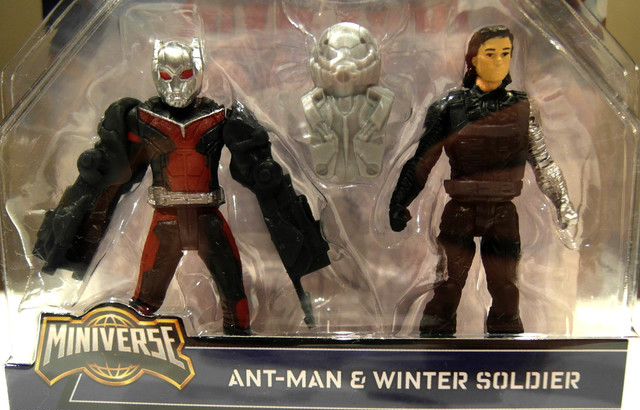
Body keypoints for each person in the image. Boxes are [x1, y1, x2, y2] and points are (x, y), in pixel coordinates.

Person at [34, 40, 329, 335]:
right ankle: (136, 340)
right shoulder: (141, 119)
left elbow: (258, 172)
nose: (175, 85)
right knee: (147, 293)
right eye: (166, 76)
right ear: (156, 75)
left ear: (197, 72)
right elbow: (115, 172)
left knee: (231, 286)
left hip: (207, 218)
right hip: (166, 220)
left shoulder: (219, 118)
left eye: (184, 75)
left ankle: (239, 338)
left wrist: (265, 175)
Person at [389, 25, 577, 336]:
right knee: (449, 283)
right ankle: (434, 343)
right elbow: (422, 161)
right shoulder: (449, 107)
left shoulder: (523, 108)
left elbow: (543, 162)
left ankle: (506, 345)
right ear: (473, 59)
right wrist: (399, 201)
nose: (499, 61)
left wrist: (563, 203)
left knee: (505, 287)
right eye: (490, 54)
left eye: (506, 53)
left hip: (502, 210)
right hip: (461, 208)